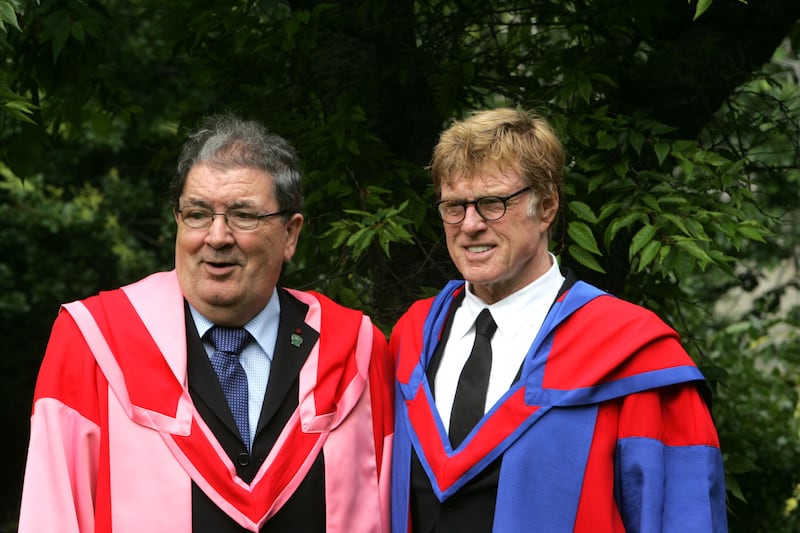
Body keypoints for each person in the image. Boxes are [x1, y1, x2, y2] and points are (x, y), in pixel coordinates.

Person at [18, 114, 393, 532]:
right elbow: (50, 513)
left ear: (290, 234)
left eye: (243, 215)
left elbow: (392, 507)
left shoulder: (354, 351)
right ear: (178, 221)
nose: (216, 236)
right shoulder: (94, 342)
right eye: (197, 213)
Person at [389, 108, 727, 532]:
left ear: (546, 206)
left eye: (493, 203)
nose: (470, 225)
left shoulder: (634, 354)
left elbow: (682, 515)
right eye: (454, 206)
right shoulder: (412, 337)